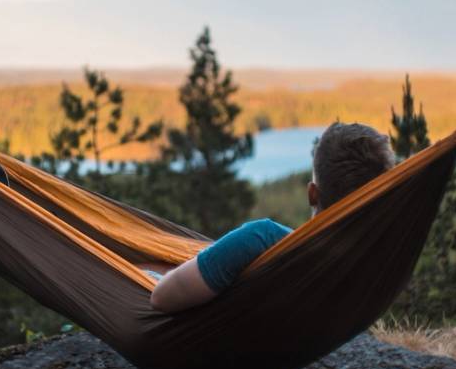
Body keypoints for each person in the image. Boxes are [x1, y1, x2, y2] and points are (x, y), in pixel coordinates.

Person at [149, 122, 396, 313]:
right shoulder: (377, 260)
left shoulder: (262, 239)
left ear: (312, 193)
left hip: (215, 350)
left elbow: (161, 298)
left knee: (143, 268)